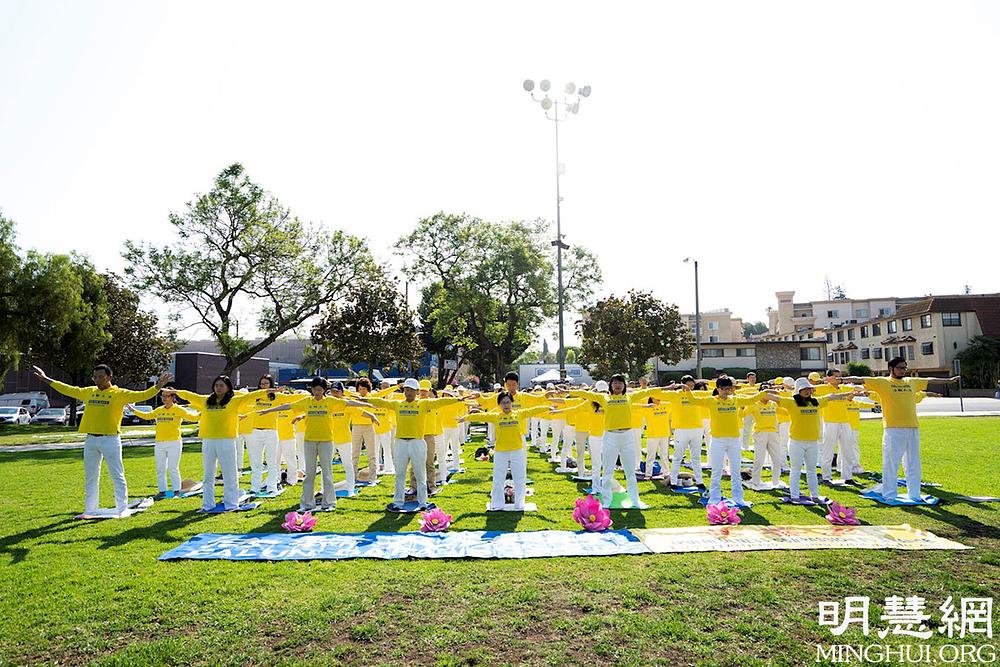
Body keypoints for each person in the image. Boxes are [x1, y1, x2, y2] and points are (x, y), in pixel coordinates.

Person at [32, 364, 174, 515]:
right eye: (95, 377)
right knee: (91, 476)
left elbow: (142, 395)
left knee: (116, 474)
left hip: (110, 439)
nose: (97, 380)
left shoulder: (119, 393)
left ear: (109, 377)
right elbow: (68, 389)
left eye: (101, 377)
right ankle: (90, 509)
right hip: (91, 439)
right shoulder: (89, 392)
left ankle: (121, 508)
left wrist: (157, 387)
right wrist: (46, 379)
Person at [841, 359, 959, 501]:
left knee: (913, 463)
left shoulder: (911, 382)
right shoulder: (883, 382)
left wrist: (949, 380)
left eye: (905, 368)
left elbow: (930, 379)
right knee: (891, 462)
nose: (903, 371)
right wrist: (840, 379)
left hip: (912, 428)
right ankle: (889, 494)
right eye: (900, 368)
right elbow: (859, 379)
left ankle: (914, 495)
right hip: (893, 429)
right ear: (891, 368)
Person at [257, 377, 376, 511]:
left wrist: (367, 405)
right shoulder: (307, 401)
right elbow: (288, 406)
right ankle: (307, 504)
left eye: (319, 389)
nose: (317, 392)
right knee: (310, 473)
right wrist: (268, 411)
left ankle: (329, 503)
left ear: (324, 389)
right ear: (312, 389)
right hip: (309, 442)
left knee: (327, 473)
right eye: (314, 389)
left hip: (326, 441)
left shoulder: (330, 401)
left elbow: (348, 403)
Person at [161, 377, 269, 512]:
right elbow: (190, 395)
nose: (218, 388)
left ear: (228, 388)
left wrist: (267, 391)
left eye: (222, 385)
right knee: (208, 476)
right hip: (209, 441)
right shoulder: (206, 400)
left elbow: (251, 396)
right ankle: (207, 505)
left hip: (227, 441)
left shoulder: (233, 401)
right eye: (216, 385)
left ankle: (231, 504)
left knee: (230, 475)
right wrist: (176, 391)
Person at [361, 379, 470, 510]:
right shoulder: (397, 404)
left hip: (417, 442)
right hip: (401, 442)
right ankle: (398, 502)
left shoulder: (423, 404)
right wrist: (366, 400)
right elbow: (382, 402)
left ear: (417, 392)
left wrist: (458, 400)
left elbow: (440, 402)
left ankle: (423, 502)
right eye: (406, 389)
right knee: (400, 475)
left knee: (420, 474)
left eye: (411, 390)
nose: (408, 392)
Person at [565, 374, 662, 509]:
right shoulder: (604, 397)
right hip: (610, 436)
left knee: (630, 471)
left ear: (624, 385)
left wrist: (666, 388)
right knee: (608, 471)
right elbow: (585, 394)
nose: (618, 385)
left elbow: (647, 392)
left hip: (627, 436)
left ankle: (635, 500)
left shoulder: (629, 396)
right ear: (611, 385)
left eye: (620, 383)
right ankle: (606, 501)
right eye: (615, 383)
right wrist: (567, 391)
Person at [766, 379, 855, 503]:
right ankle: (795, 495)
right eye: (804, 389)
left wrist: (848, 394)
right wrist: (767, 390)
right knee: (796, 469)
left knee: (812, 470)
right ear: (798, 390)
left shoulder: (816, 402)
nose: (807, 391)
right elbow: (771, 397)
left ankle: (815, 495)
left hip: (812, 442)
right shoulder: (791, 402)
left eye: (808, 389)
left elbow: (831, 397)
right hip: (796, 442)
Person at [463, 393, 550, 510]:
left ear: (512, 403)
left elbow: (533, 410)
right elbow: (481, 416)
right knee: (498, 478)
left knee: (520, 478)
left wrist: (548, 407)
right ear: (499, 405)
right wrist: (466, 418)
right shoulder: (496, 416)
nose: (506, 405)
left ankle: (519, 504)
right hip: (500, 452)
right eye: (503, 403)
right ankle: (497, 504)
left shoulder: (519, 414)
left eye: (508, 402)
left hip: (517, 451)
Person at [688, 377, 763, 508]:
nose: (726, 392)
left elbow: (752, 399)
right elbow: (693, 400)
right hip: (717, 440)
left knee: (735, 471)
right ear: (718, 389)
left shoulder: (735, 400)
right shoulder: (712, 400)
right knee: (716, 471)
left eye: (729, 389)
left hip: (734, 440)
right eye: (723, 389)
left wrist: (764, 392)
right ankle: (715, 497)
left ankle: (738, 498)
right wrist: (686, 391)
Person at [127, 391, 199, 498]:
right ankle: (162, 491)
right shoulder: (159, 410)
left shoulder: (178, 409)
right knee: (160, 468)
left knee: (173, 468)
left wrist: (204, 411)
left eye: (167, 396)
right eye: (162, 396)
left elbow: (193, 418)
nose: (164, 398)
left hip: (174, 442)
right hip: (160, 443)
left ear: (172, 397)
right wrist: (133, 410)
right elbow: (147, 416)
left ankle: (176, 490)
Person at [247, 375, 299, 495]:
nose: (263, 386)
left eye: (266, 383)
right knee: (256, 462)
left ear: (271, 385)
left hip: (271, 432)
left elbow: (295, 398)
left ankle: (272, 486)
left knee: (272, 461)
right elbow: (242, 397)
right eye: (262, 384)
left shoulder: (277, 397)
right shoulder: (256, 396)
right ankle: (255, 487)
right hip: (256, 432)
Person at [662, 376, 710, 490]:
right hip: (681, 430)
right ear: (682, 384)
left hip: (697, 429)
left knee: (696, 457)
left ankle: (699, 481)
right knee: (677, 457)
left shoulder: (696, 394)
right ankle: (673, 482)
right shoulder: (675, 395)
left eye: (692, 386)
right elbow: (660, 393)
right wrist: (674, 387)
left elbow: (712, 393)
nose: (690, 388)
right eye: (688, 385)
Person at [819, 369, 855, 485]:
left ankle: (847, 477)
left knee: (847, 450)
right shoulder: (823, 389)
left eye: (840, 377)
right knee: (828, 450)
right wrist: (823, 381)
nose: (839, 379)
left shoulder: (845, 388)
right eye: (836, 377)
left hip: (845, 422)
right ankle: (826, 477)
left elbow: (858, 389)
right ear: (829, 377)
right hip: (830, 422)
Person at [745, 392, 782, 491]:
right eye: (766, 393)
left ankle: (776, 482)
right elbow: (742, 414)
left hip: (773, 432)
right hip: (760, 433)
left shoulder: (773, 404)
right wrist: (742, 407)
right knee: (759, 459)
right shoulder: (754, 405)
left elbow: (785, 412)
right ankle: (755, 481)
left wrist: (779, 402)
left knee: (777, 459)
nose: (769, 395)